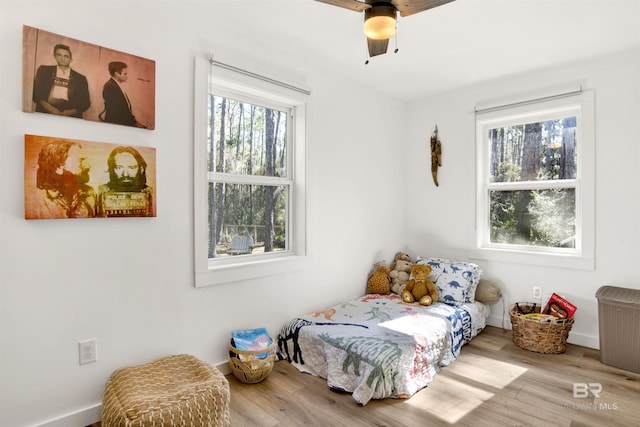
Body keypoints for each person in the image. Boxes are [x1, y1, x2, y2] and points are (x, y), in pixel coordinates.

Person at [26, 139, 96, 219]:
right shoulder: (37, 198)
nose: (88, 166)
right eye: (80, 160)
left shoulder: (88, 193)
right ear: (60, 162)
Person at [32, 44, 91, 118]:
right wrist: (48, 108)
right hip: (46, 111)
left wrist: (70, 112)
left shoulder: (81, 78)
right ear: (55, 56)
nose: (62, 58)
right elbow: (35, 93)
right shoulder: (44, 71)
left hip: (70, 114)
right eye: (59, 55)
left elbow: (86, 103)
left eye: (66, 56)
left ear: (71, 59)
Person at [97, 146, 154, 217]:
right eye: (119, 168)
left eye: (132, 168)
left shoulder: (148, 192)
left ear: (141, 169)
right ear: (111, 169)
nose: (126, 174)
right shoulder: (102, 191)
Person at [100, 61, 146, 128]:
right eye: (125, 74)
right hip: (117, 126)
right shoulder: (111, 87)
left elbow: (124, 109)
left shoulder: (114, 85)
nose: (127, 76)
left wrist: (135, 122)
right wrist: (135, 123)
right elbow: (118, 112)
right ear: (117, 74)